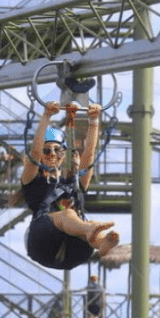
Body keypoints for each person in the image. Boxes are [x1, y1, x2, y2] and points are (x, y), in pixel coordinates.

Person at [18, 101, 119, 269]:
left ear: (63, 154)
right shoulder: (32, 180)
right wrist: (46, 116)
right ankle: (91, 233)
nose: (52, 154)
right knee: (69, 215)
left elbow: (88, 157)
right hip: (41, 242)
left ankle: (101, 242)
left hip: (76, 251)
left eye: (57, 150)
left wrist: (94, 122)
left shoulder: (73, 183)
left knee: (86, 223)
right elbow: (34, 155)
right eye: (46, 150)